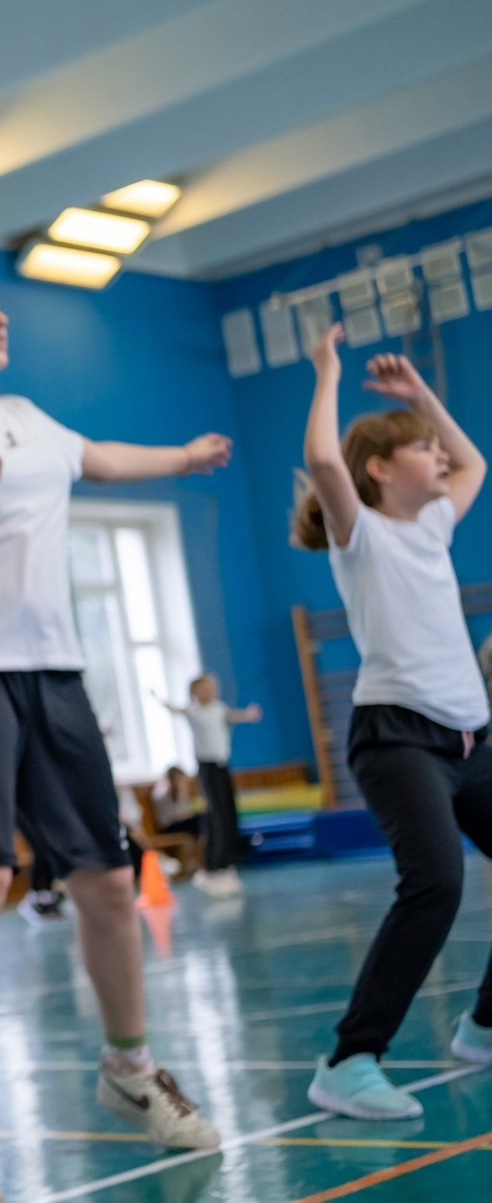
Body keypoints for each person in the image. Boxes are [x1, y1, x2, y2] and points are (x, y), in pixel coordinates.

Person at [0, 266, 223, 1203]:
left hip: (51, 667)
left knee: (107, 881)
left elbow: (99, 458)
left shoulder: (29, 416)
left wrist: (184, 457)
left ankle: (130, 1067)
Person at [295, 325, 492, 1119]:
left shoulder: (433, 525)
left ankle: (481, 1026)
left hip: (471, 738)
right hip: (397, 737)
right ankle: (348, 1061)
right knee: (435, 884)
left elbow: (474, 461)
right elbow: (320, 462)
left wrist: (422, 400)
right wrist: (325, 372)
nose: (439, 459)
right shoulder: (362, 534)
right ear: (378, 470)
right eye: (420, 449)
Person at [152, 674, 261, 897]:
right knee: (216, 815)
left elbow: (232, 715)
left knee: (229, 813)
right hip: (207, 768)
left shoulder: (218, 708)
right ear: (195, 692)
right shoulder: (194, 711)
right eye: (205, 688)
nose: (211, 691)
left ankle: (228, 862)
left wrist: (248, 715)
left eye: (213, 687)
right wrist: (157, 698)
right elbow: (175, 710)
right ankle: (214, 867)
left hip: (222, 765)